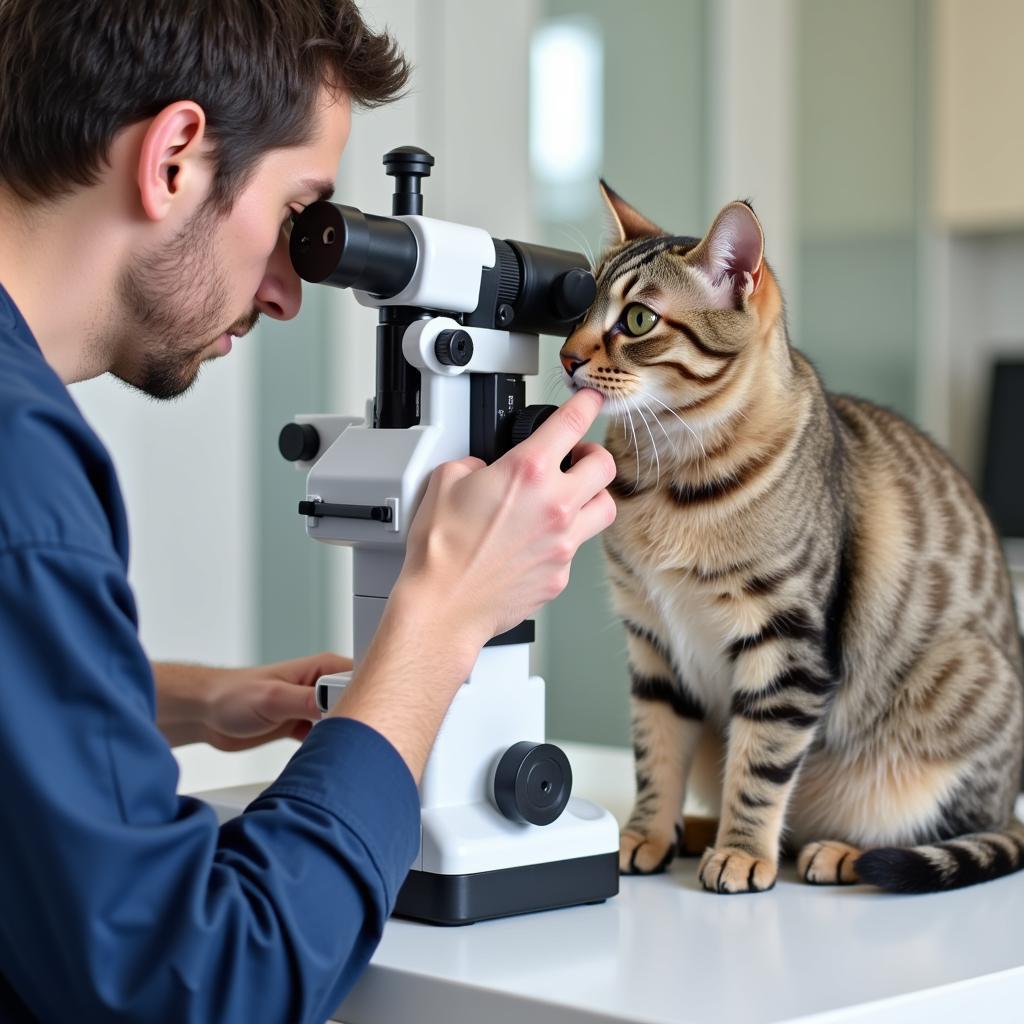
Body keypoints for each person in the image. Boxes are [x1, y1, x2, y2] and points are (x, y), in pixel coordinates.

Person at [0, 2, 616, 1021]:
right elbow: (198, 983)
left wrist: (170, 698)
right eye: (297, 215)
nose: (289, 290)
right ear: (175, 158)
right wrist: (440, 623)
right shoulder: (23, 462)